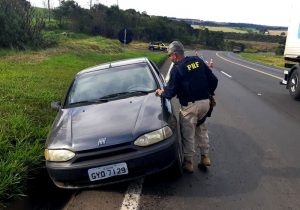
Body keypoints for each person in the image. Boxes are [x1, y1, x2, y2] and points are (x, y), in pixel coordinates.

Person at [155, 41, 218, 173]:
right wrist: (209, 94)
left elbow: (170, 92)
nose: (169, 58)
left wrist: (161, 92)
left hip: (190, 106)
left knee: (188, 133)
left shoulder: (177, 69)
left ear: (176, 55)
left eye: (170, 55)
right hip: (205, 103)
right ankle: (205, 157)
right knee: (201, 128)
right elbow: (214, 80)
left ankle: (188, 162)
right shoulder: (198, 61)